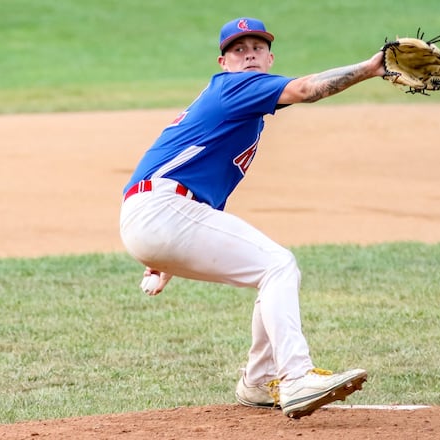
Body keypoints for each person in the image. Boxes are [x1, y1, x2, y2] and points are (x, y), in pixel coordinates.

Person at [119, 17, 386, 419]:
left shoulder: (237, 108)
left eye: (256, 48)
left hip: (157, 214)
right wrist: (371, 68)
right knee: (278, 265)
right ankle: (295, 378)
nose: (248, 56)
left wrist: (163, 259)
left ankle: (259, 382)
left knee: (270, 269)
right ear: (223, 62)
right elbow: (305, 89)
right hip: (162, 210)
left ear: (269, 57)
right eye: (238, 50)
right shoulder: (234, 87)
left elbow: (185, 179)